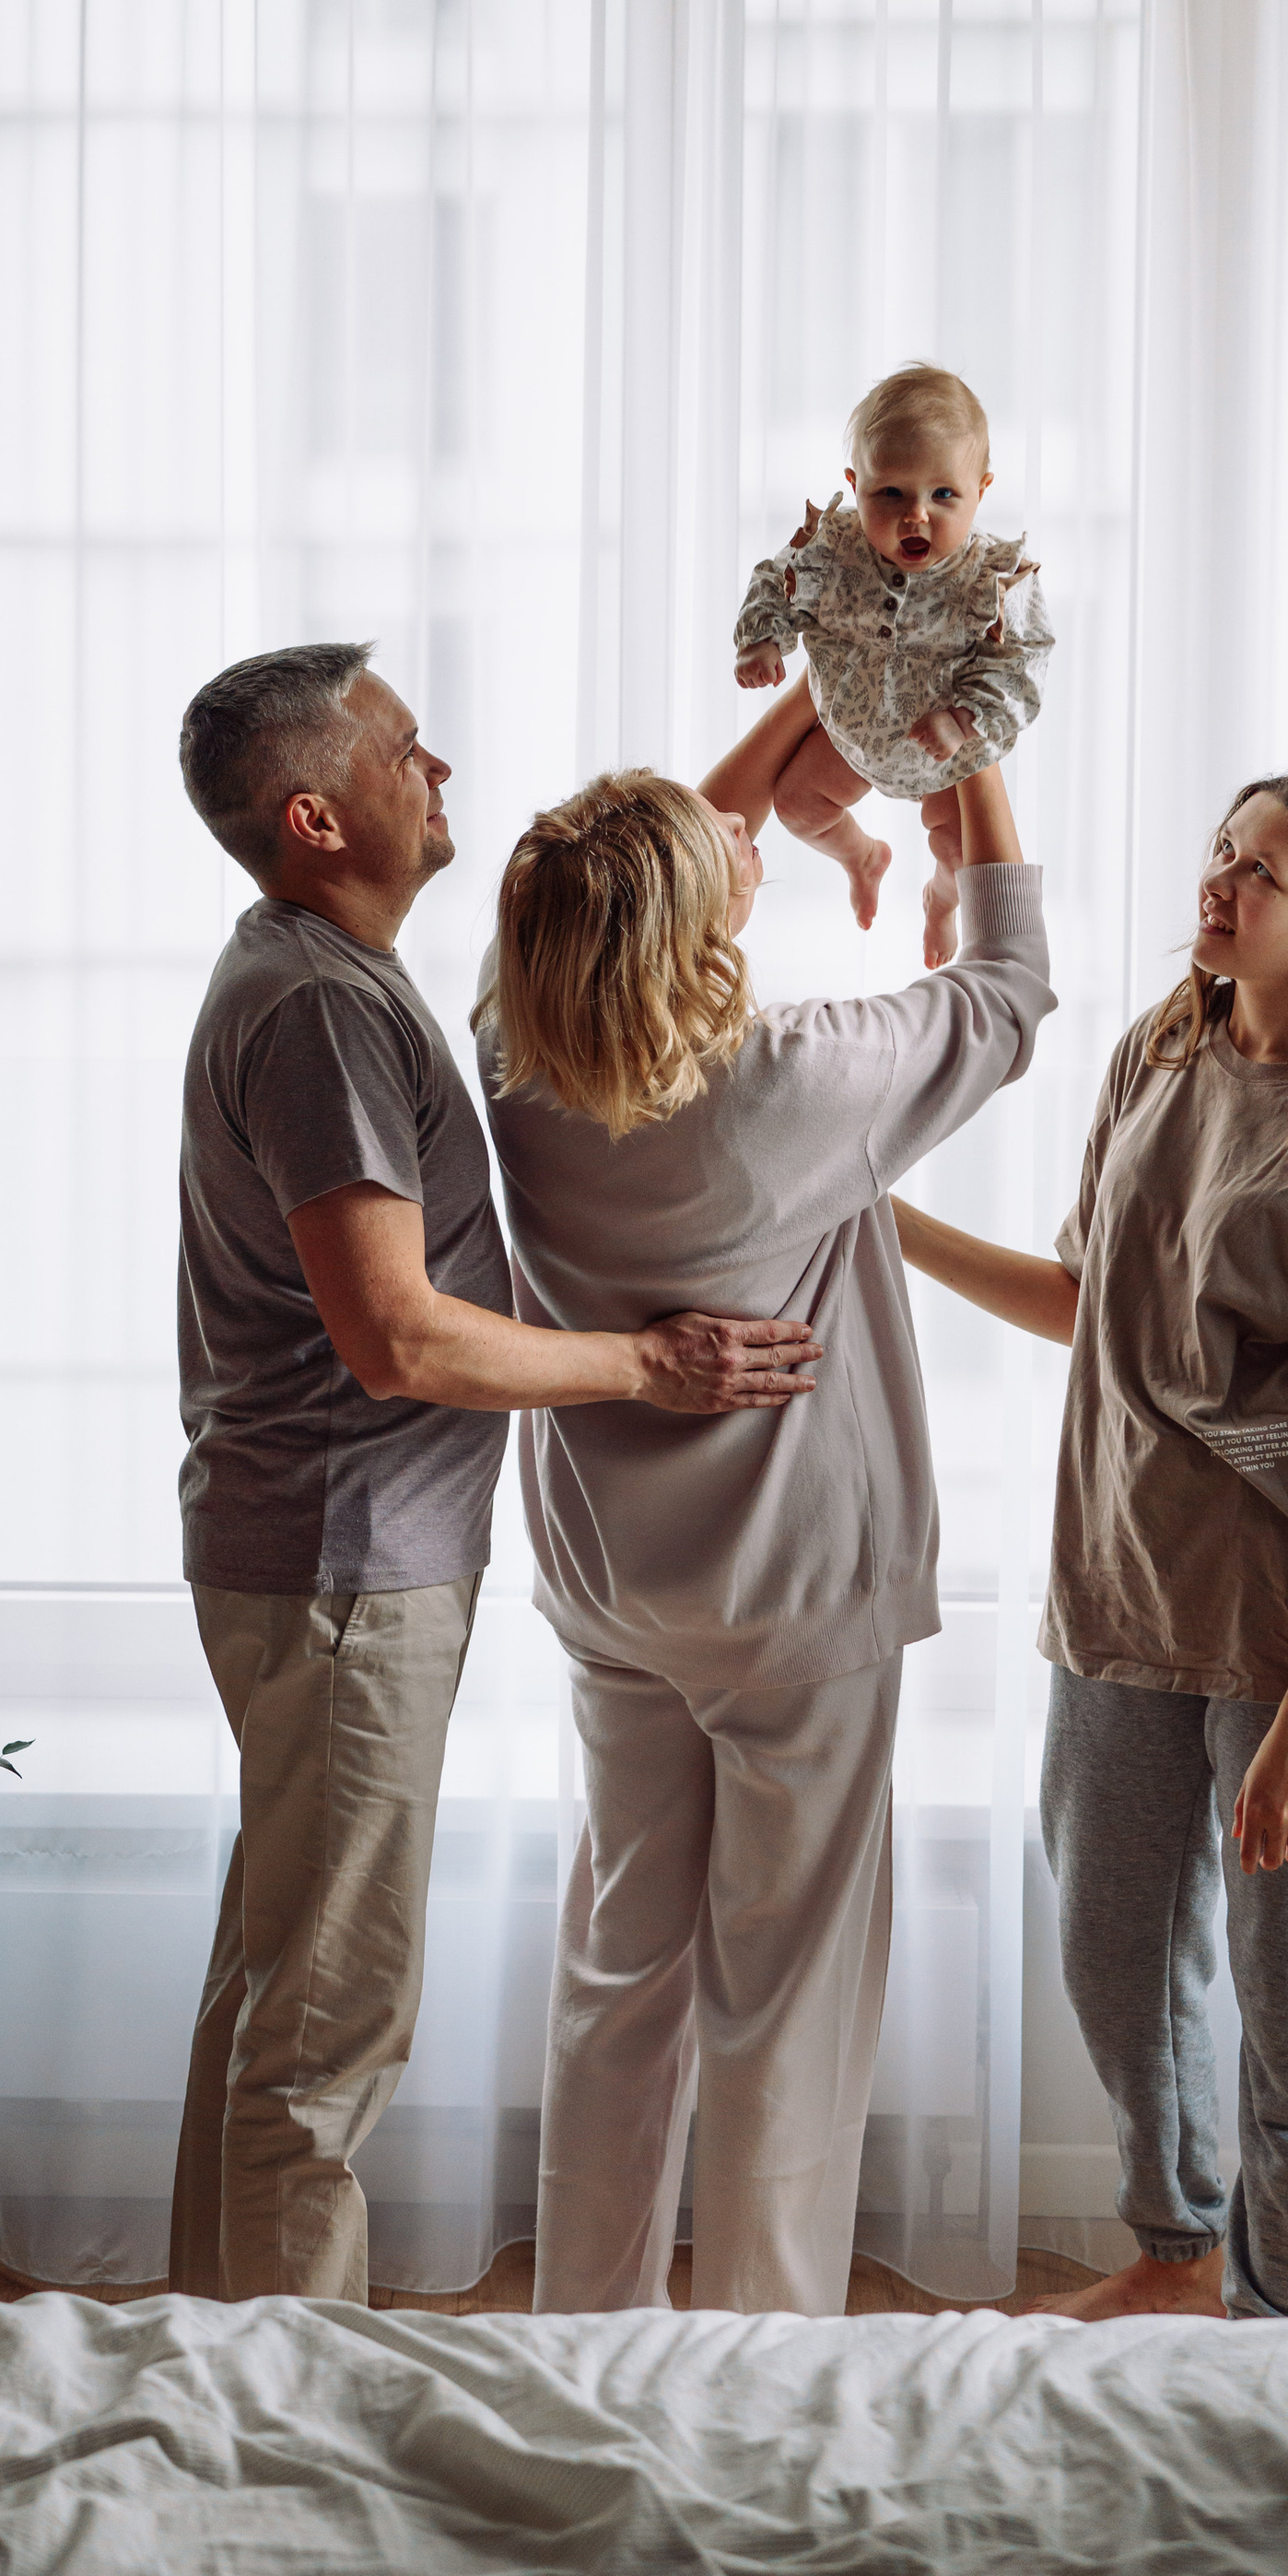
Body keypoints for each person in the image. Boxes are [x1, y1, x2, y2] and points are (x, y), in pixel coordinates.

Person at [168, 641, 818, 2305]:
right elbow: (400, 1338)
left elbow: (667, 872)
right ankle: (287, 2430)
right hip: (340, 1573)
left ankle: (206, 2374)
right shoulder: (317, 1009)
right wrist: (644, 1365)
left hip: (323, 1559)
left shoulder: (330, 973)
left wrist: (819, 687)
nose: (437, 765)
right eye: (400, 749)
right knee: (325, 2033)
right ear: (315, 815)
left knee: (277, 1990)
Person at [474, 683, 1052, 2314]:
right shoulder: (800, 1080)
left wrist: (819, 692)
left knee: (620, 1965)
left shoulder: (514, 1061)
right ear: (691, 930)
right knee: (785, 1995)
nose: (745, 846)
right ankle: (761, 2354)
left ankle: (584, 2329)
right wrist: (973, 729)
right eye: (717, 855)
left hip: (614, 1594)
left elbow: (641, 873)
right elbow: (1011, 992)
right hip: (795, 1604)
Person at [895, 769, 1288, 2323]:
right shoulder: (1157, 1056)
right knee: (1113, 1958)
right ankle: (1174, 2254)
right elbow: (1089, 1301)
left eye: (1263, 873)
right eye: (1219, 857)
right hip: (1120, 1594)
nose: (1218, 888)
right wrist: (882, 1223)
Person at [732, 361, 1053, 955]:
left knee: (959, 853)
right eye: (891, 493)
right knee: (797, 806)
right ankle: (862, 857)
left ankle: (940, 899)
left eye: (943, 495)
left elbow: (1023, 662)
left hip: (942, 760)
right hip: (849, 737)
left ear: (981, 491)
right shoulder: (836, 548)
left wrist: (963, 718)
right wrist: (763, 639)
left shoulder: (992, 579)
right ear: (856, 485)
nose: (916, 514)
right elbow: (782, 579)